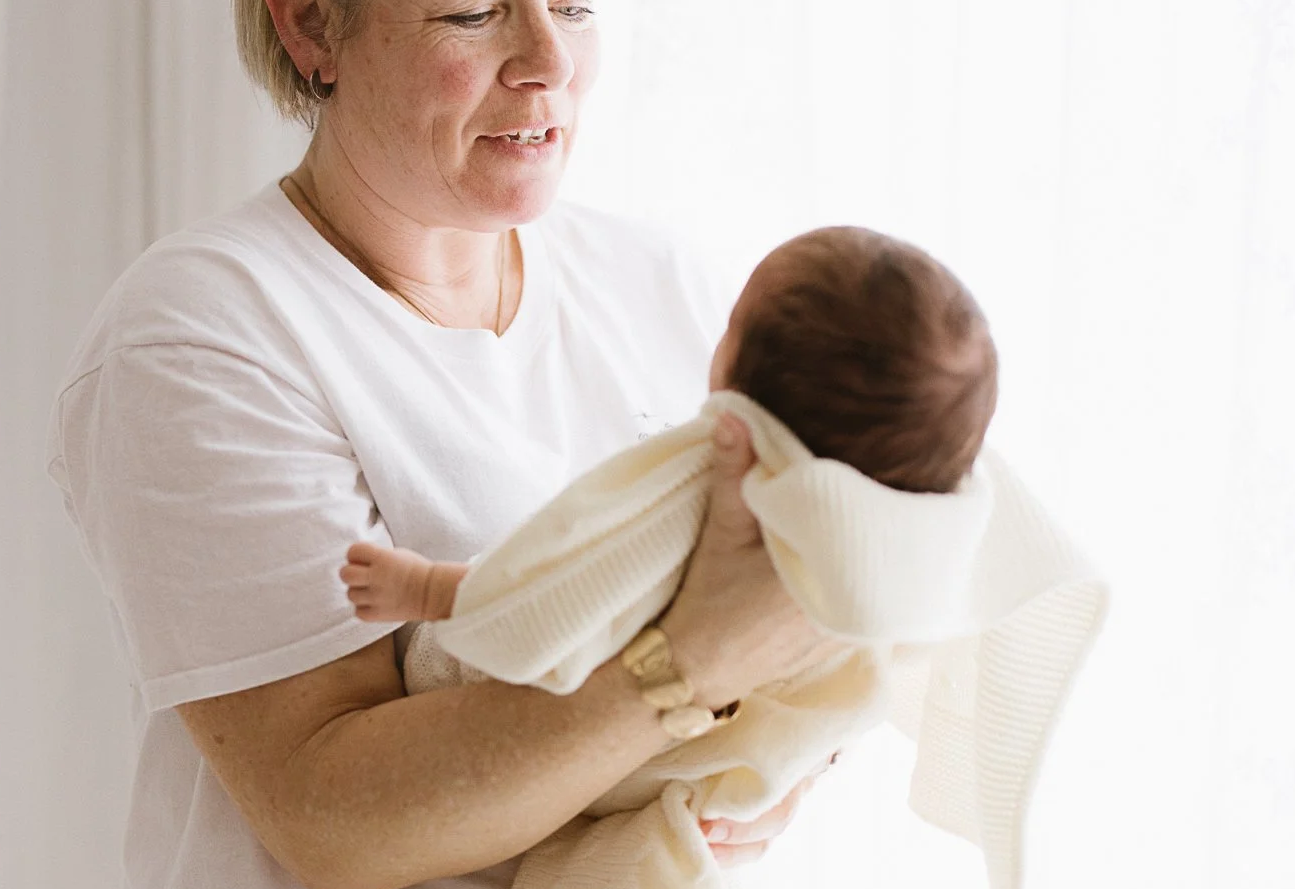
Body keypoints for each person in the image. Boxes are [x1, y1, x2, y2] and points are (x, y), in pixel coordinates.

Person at [47, 0, 838, 889]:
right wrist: (688, 670)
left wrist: (786, 749)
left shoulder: (660, 285)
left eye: (574, 4)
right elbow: (332, 818)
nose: (549, 64)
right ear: (311, 22)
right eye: (476, 12)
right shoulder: (205, 334)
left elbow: (797, 609)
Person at [343, 225, 1001, 626]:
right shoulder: (870, 559)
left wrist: (426, 588)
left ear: (743, 390)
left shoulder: (698, 484)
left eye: (734, 323)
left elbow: (561, 582)